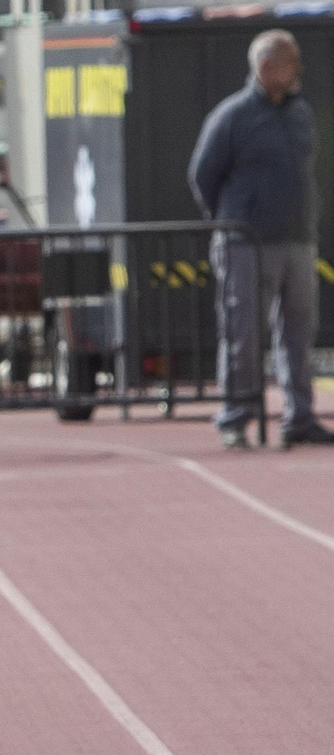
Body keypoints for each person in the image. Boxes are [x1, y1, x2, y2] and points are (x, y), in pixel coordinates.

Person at [189, 29, 332, 450]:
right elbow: (203, 175)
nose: (300, 69)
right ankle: (235, 418)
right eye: (292, 61)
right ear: (267, 67)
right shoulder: (232, 116)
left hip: (297, 240)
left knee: (299, 334)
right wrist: (233, 221)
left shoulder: (300, 113)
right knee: (243, 336)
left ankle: (299, 418)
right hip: (246, 244)